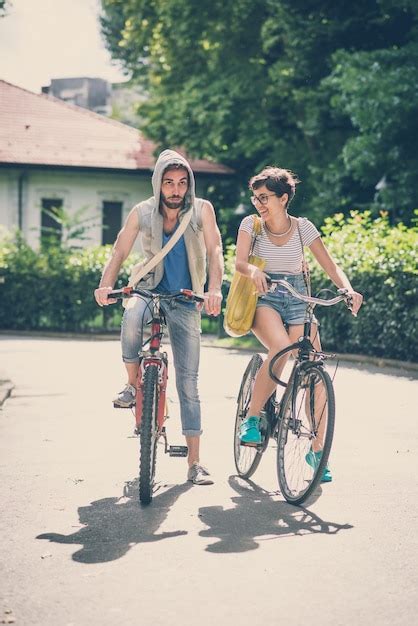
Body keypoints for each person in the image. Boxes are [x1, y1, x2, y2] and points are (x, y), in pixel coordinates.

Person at [94, 149, 223, 485]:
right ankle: (132, 383)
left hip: (185, 298)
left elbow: (214, 250)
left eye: (182, 183)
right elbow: (120, 249)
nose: (176, 190)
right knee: (132, 315)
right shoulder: (142, 212)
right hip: (148, 290)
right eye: (169, 183)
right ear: (158, 184)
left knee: (188, 383)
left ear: (189, 184)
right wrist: (106, 285)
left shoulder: (201, 210)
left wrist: (215, 289)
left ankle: (195, 463)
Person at [235, 166, 363, 481]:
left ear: (284, 197)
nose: (258, 204)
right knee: (280, 348)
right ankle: (251, 419)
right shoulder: (252, 225)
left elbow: (330, 264)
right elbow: (239, 262)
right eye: (256, 198)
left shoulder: (303, 227)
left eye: (264, 198)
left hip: (298, 298)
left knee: (315, 370)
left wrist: (347, 289)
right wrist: (254, 272)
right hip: (265, 297)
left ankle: (317, 451)